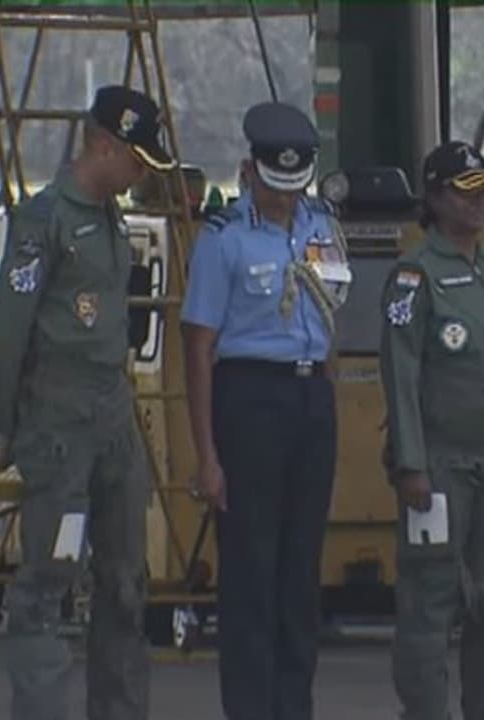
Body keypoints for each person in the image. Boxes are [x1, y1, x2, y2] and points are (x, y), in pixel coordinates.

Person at [0, 84, 176, 720]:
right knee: (49, 583)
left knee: (125, 583)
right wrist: (7, 426)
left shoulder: (110, 217)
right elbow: (8, 332)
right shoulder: (46, 221)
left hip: (112, 416)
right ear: (103, 144)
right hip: (59, 421)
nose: (142, 172)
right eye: (135, 158)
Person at [179, 100, 351, 720]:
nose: (285, 199)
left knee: (300, 575)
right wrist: (208, 455)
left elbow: (331, 315)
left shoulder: (321, 227)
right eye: (275, 186)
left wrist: (324, 394)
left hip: (309, 399)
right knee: (251, 576)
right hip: (248, 400)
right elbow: (198, 346)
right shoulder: (222, 238)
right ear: (250, 170)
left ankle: (293, 707)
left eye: (295, 184)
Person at [379, 140, 484, 720]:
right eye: (465, 190)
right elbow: (400, 374)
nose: (479, 202)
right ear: (434, 198)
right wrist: (411, 463)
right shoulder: (414, 276)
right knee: (430, 598)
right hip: (440, 466)